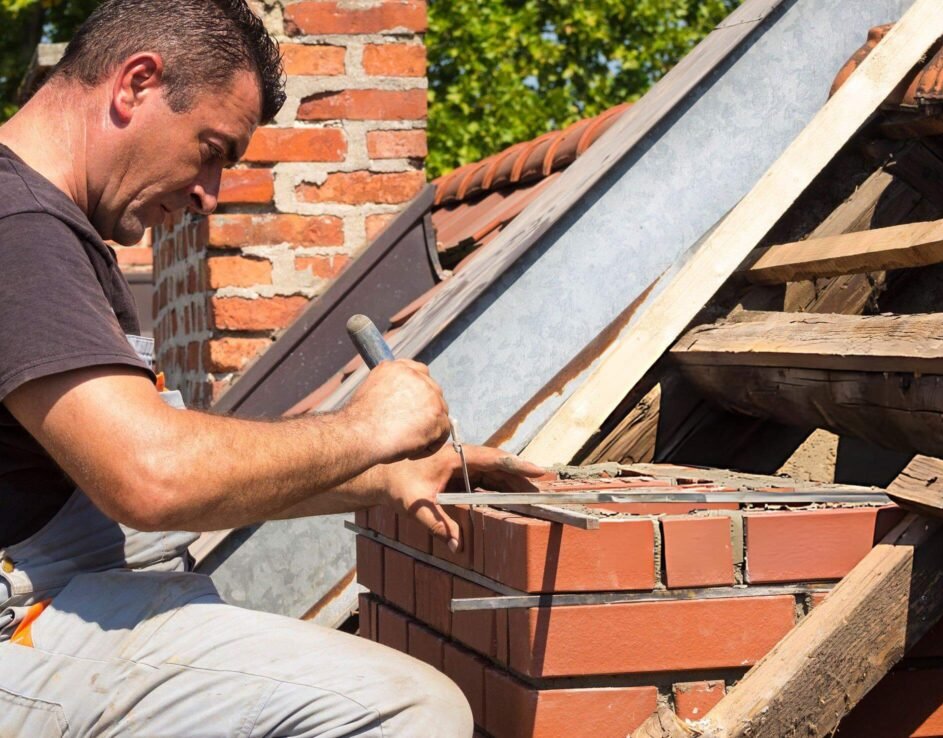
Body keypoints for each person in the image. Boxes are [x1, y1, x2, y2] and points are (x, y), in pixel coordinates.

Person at [0, 1, 544, 735]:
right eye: (213, 148)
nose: (210, 194)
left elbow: (151, 467)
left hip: (58, 602)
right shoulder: (19, 228)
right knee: (410, 710)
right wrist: (368, 429)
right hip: (23, 634)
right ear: (135, 84)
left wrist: (380, 479)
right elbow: (152, 477)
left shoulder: (43, 226)